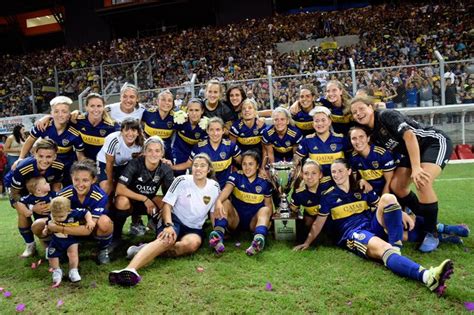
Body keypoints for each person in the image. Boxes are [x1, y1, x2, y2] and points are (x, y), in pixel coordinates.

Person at [293, 159, 454, 296]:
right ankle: (428, 277)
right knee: (385, 247)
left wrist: (400, 212)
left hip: (371, 224)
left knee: (388, 197)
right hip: (353, 233)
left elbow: (381, 203)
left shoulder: (361, 188)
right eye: (334, 172)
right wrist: (307, 242)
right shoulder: (328, 196)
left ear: (349, 171)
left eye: (340, 171)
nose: (337, 175)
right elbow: (319, 222)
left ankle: (396, 248)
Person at [350, 96, 454, 252]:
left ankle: (431, 233)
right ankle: (429, 222)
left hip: (433, 142)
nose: (358, 113)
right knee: (397, 186)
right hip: (409, 152)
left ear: (371, 107)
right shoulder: (371, 132)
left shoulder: (386, 115)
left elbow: (410, 136)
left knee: (422, 181)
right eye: (354, 112)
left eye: (361, 108)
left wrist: (416, 167)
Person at [109, 153, 220, 287]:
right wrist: (168, 225)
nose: (198, 169)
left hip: (194, 228)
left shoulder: (214, 187)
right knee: (167, 239)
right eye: (195, 165)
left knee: (190, 245)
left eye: (202, 166)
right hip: (174, 219)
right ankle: (130, 269)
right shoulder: (181, 180)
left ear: (208, 169)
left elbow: (213, 213)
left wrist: (217, 234)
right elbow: (167, 204)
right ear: (191, 168)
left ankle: (144, 249)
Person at [32, 159, 114, 264]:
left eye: (85, 180)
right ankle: (53, 248)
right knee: (37, 225)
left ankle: (103, 249)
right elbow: (53, 217)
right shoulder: (63, 194)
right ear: (71, 178)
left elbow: (88, 229)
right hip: (68, 223)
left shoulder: (100, 196)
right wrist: (49, 224)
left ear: (93, 180)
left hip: (87, 227)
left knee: (105, 222)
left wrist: (58, 228)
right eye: (76, 179)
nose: (80, 184)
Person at [7, 139, 64, 258]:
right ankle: (30, 245)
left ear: (55, 156)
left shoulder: (59, 166)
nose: (44, 160)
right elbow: (15, 193)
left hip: (43, 188)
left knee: (51, 209)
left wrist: (53, 203)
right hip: (18, 189)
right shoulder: (23, 168)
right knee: (23, 213)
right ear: (34, 154)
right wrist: (32, 208)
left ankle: (51, 241)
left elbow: (56, 186)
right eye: (41, 156)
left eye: (49, 156)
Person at [208, 150, 273, 256]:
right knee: (224, 202)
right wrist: (219, 201)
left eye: (251, 164)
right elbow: (227, 190)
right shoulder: (236, 176)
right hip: (236, 220)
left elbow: (268, 205)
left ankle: (258, 240)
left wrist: (269, 221)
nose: (247, 167)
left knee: (265, 210)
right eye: (244, 164)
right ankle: (218, 237)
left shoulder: (264, 182)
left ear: (257, 166)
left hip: (253, 222)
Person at [114, 136, 174, 240]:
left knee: (164, 203)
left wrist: (164, 208)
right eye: (150, 150)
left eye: (157, 151)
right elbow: (119, 189)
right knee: (121, 201)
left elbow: (171, 195)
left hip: (150, 204)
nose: (153, 154)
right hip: (132, 202)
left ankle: (159, 234)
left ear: (162, 154)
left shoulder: (165, 168)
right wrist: (144, 199)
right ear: (144, 152)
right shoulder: (135, 163)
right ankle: (116, 237)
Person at [15, 96, 85, 185]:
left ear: (69, 114)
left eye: (64, 111)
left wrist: (81, 170)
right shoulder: (43, 126)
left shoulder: (75, 133)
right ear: (51, 113)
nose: (60, 114)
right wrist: (21, 158)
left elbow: (80, 156)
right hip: (46, 166)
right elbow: (30, 140)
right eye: (56, 111)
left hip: (67, 167)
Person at [172, 117, 242, 189]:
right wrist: (170, 167)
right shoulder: (199, 147)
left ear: (223, 131)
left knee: (226, 201)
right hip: (204, 187)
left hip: (224, 187)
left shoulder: (230, 146)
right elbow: (188, 164)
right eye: (211, 130)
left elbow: (241, 162)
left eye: (218, 130)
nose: (215, 133)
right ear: (207, 131)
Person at [293, 106, 350, 190]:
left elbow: (351, 160)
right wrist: (301, 177)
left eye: (323, 120)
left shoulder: (340, 139)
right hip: (316, 185)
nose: (320, 124)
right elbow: (296, 161)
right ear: (313, 124)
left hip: (338, 183)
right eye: (317, 121)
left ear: (329, 122)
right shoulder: (307, 140)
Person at [42, 196, 95, 285]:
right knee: (52, 256)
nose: (58, 218)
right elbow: (48, 222)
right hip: (56, 240)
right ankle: (57, 271)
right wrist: (46, 229)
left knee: (73, 254)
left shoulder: (74, 213)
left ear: (68, 210)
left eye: (61, 216)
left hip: (71, 239)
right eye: (55, 216)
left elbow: (86, 212)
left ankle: (73, 270)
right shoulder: (52, 215)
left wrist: (89, 221)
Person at [96, 118, 144, 196]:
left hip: (122, 164)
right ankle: (103, 207)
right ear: (121, 132)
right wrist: (110, 182)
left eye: (133, 130)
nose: (130, 134)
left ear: (138, 133)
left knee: (126, 189)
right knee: (106, 187)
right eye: (127, 130)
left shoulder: (142, 144)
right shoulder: (114, 139)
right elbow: (110, 162)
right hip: (105, 162)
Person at [348, 126, 396, 196]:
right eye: (354, 138)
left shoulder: (382, 154)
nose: (358, 141)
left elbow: (389, 182)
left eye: (361, 137)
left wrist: (382, 202)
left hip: (387, 193)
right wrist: (360, 181)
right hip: (369, 194)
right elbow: (353, 182)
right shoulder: (353, 157)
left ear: (368, 138)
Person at [172, 98, 208, 176]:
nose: (194, 113)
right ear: (187, 110)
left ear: (202, 111)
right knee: (178, 175)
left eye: (197, 110)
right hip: (180, 152)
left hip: (197, 154)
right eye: (191, 110)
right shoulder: (180, 120)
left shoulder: (206, 125)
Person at [141, 90, 175, 160]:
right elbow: (140, 125)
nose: (166, 103)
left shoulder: (175, 117)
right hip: (148, 149)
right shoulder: (147, 113)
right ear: (157, 101)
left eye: (169, 100)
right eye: (163, 100)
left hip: (166, 151)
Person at [290, 159, 323, 228]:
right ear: (302, 175)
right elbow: (292, 210)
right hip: (311, 217)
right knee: (307, 223)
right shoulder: (299, 194)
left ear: (320, 175)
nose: (309, 177)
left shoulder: (329, 186)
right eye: (306, 173)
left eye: (314, 173)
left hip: (331, 219)